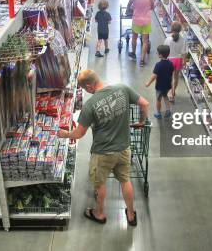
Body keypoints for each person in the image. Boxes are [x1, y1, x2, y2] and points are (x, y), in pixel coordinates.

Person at [57, 69, 149, 226]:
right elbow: (145, 104)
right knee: (125, 180)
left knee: (100, 184)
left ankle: (99, 214)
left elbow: (79, 134)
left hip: (102, 153)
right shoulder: (122, 88)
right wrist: (141, 122)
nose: (87, 92)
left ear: (90, 86)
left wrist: (64, 134)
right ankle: (131, 215)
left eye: (86, 89)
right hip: (124, 148)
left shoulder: (90, 105)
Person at [145, 45, 174, 119]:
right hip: (167, 85)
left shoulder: (158, 65)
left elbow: (154, 76)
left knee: (158, 99)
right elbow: (171, 74)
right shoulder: (171, 64)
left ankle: (158, 113)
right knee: (165, 96)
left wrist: (148, 83)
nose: (157, 54)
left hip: (159, 86)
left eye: (157, 53)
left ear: (160, 55)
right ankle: (168, 110)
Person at [128, 0, 153, 67]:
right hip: (146, 21)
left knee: (134, 38)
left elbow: (129, 6)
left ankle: (133, 53)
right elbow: (152, 7)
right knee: (145, 41)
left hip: (136, 21)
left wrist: (130, 10)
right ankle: (142, 60)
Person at [163, 21, 187, 103]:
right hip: (178, 60)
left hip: (169, 60)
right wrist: (184, 61)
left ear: (172, 29)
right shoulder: (183, 40)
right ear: (180, 30)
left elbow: (165, 51)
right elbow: (184, 53)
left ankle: (169, 92)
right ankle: (172, 92)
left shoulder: (168, 39)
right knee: (175, 78)